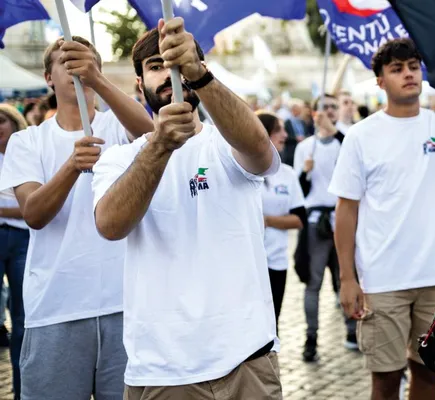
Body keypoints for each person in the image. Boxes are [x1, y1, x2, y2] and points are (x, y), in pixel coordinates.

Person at [92, 21, 282, 397]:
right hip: (163, 369)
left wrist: (198, 73)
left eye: (176, 63)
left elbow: (259, 151)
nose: (168, 74)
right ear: (139, 84)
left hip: (246, 359)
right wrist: (160, 145)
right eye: (155, 66)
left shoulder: (223, 143)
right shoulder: (119, 158)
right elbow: (111, 225)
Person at [0, 35, 151, 399]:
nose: (76, 69)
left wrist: (97, 79)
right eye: (66, 62)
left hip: (126, 304)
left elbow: (154, 137)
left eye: (84, 61)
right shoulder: (28, 141)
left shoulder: (117, 127)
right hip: (56, 309)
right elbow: (34, 214)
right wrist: (71, 166)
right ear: (48, 76)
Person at [330, 38, 435, 400]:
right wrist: (347, 278)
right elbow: (347, 209)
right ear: (380, 81)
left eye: (414, 67)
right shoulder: (360, 135)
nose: (408, 75)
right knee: (385, 379)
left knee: (427, 373)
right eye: (397, 69)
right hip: (382, 279)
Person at [294, 92, 354, 361]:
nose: (329, 111)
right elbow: (300, 192)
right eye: (324, 108)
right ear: (315, 113)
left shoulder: (347, 140)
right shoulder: (305, 147)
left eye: (333, 106)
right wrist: (305, 172)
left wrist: (337, 132)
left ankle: (352, 331)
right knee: (313, 282)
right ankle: (311, 337)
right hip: (316, 222)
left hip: (342, 220)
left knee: (345, 278)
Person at [257, 111, 305, 327]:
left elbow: (298, 219)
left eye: (284, 129)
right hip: (249, 263)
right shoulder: (244, 173)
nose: (285, 135)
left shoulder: (288, 174)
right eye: (278, 130)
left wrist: (268, 220)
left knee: (272, 323)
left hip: (276, 262)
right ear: (262, 134)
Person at [0, 104, 29, 394]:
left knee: (21, 317)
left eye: (1, 121)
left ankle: (21, 390)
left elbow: (32, 210)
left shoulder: (26, 155)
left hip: (23, 240)